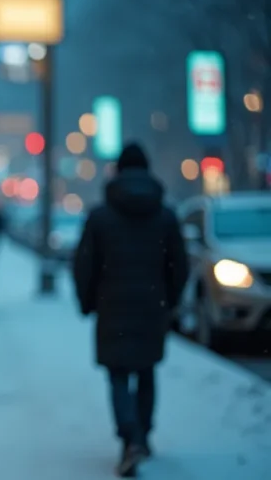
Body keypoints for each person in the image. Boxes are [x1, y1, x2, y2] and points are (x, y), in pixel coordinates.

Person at [73, 143, 188, 478]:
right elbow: (179, 265)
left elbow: (84, 264)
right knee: (147, 371)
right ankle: (143, 433)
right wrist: (170, 299)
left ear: (117, 172)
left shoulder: (100, 216)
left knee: (118, 373)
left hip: (113, 307)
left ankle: (129, 438)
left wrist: (87, 300)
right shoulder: (165, 215)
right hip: (153, 307)